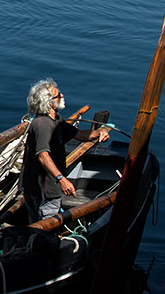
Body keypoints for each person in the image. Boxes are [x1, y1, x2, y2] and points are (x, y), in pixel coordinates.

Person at [20, 78, 110, 221]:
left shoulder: (56, 121)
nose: (62, 96)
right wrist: (62, 179)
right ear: (49, 102)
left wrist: (99, 133)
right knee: (45, 229)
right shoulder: (43, 124)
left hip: (42, 188)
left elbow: (79, 135)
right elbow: (43, 156)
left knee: (37, 227)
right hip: (45, 191)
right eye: (58, 95)